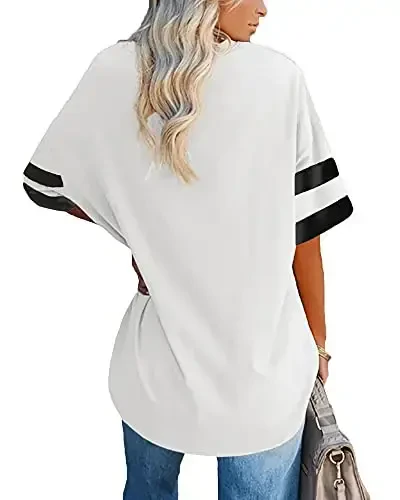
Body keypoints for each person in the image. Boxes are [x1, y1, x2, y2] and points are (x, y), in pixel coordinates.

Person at [21, 0, 354, 498]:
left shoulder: (114, 71)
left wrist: (143, 232)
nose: (263, 8)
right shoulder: (278, 78)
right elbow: (305, 229)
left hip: (156, 362)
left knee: (147, 490)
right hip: (262, 362)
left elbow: (48, 184)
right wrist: (318, 340)